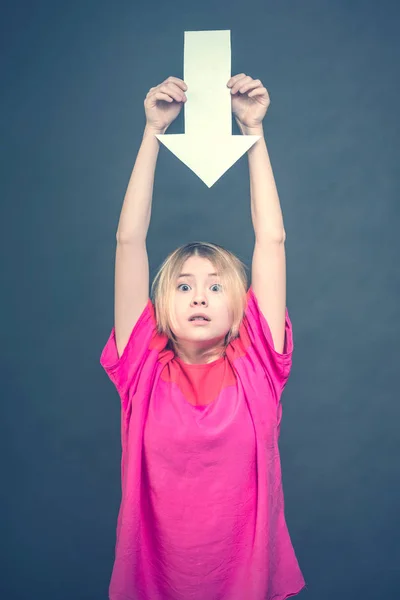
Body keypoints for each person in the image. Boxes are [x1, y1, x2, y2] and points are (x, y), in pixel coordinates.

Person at [100, 74, 306, 600]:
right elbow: (129, 241)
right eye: (184, 285)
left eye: (216, 287)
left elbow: (272, 238)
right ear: (161, 307)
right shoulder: (141, 365)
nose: (198, 296)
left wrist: (252, 130)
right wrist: (153, 132)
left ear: (239, 307)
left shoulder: (258, 360)